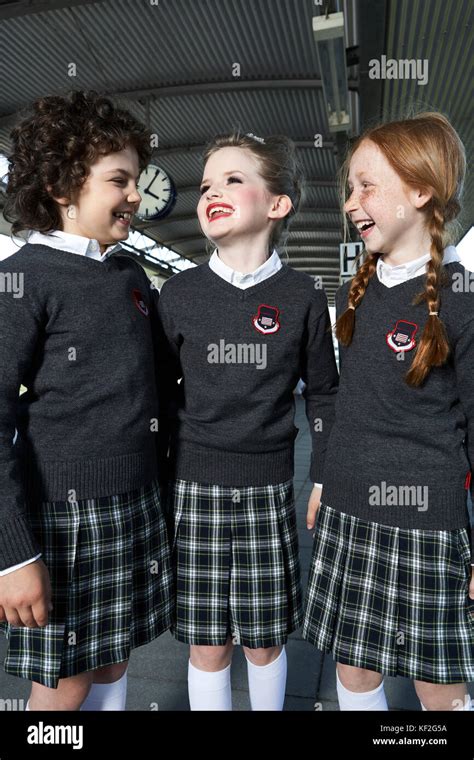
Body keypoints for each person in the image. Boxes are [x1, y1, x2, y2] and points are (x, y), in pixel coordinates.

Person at [0, 90, 173, 710]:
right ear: (62, 186)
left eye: (135, 179)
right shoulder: (24, 279)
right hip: (64, 518)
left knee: (111, 661)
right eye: (119, 180)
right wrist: (13, 555)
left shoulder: (128, 273)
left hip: (133, 502)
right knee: (65, 684)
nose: (134, 194)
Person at [157, 131, 339, 710]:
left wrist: (324, 475)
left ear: (277, 204)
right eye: (206, 184)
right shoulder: (178, 293)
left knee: (263, 642)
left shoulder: (304, 295)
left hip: (267, 488)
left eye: (233, 179)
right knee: (208, 645)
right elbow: (158, 400)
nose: (211, 191)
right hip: (193, 488)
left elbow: (325, 397)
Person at [303, 112, 474, 711]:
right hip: (348, 509)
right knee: (353, 673)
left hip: (425, 526)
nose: (352, 202)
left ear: (421, 190)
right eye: (351, 188)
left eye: (366, 185)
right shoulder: (365, 286)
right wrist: (325, 479)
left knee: (440, 692)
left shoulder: (461, 298)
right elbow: (350, 403)